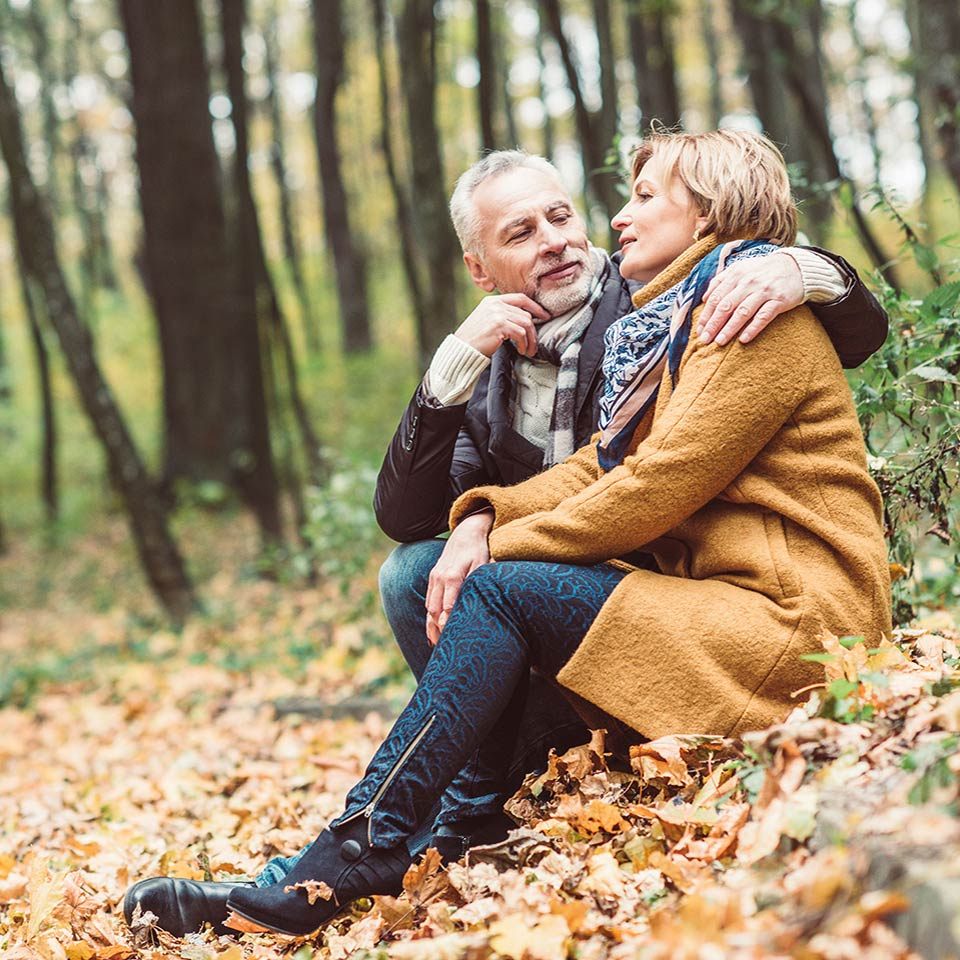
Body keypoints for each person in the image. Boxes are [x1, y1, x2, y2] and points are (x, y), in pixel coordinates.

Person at [122, 148, 889, 937]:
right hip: (713, 611)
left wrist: (809, 268)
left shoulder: (740, 308)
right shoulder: (668, 322)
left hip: (798, 629)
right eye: (523, 231)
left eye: (633, 200)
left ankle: (361, 851)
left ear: (706, 212)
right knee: (417, 572)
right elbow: (596, 465)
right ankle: (418, 833)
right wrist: (479, 516)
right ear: (481, 267)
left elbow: (650, 489)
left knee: (489, 585)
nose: (604, 223)